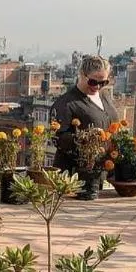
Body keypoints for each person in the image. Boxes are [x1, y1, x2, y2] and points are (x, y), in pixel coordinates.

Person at [49, 55, 118, 199]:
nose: (97, 87)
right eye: (93, 82)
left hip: (102, 172)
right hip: (77, 177)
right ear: (81, 75)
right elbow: (58, 138)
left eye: (103, 82)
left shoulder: (104, 97)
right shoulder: (67, 103)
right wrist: (88, 138)